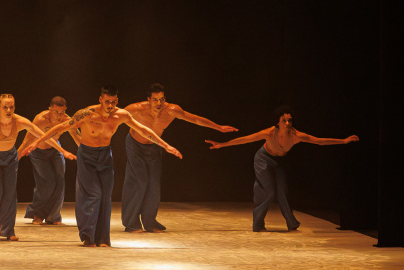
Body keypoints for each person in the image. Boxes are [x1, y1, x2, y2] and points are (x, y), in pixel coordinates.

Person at [20, 86, 182, 247]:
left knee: (105, 197)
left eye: (113, 102)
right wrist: (36, 142)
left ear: (117, 101)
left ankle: (103, 238)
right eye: (107, 102)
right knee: (92, 195)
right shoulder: (87, 114)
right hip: (87, 156)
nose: (110, 106)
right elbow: (62, 127)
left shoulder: (121, 115)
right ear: (100, 100)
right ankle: (88, 235)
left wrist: (165, 145)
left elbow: (143, 130)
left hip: (105, 156)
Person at [206, 106, 358, 232]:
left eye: (289, 120)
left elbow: (319, 141)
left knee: (282, 192)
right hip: (263, 158)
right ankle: (258, 224)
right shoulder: (270, 132)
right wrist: (222, 144)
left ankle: (291, 223)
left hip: (278, 161)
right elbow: (246, 139)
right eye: (284, 120)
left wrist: (343, 141)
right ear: (278, 123)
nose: (287, 123)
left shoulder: (296, 135)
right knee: (268, 191)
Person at [0, 94, 76, 241]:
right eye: (5, 107)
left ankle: (7, 230)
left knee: (10, 194)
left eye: (11, 107)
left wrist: (63, 151)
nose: (9, 110)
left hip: (10, 158)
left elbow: (44, 135)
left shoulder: (20, 121)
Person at [120, 83, 237, 233]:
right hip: (135, 145)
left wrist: (219, 127)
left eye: (162, 99)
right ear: (148, 99)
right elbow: (113, 117)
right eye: (155, 100)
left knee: (154, 184)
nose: (159, 103)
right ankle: (131, 222)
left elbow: (194, 119)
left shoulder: (171, 110)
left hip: (156, 146)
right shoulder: (136, 109)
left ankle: (150, 221)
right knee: (139, 180)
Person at [19, 96, 81, 225]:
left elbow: (77, 137)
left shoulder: (67, 120)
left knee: (59, 181)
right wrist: (15, 159)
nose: (59, 116)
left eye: (62, 112)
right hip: (38, 152)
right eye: (56, 112)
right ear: (50, 109)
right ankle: (37, 214)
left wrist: (88, 153)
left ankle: (54, 216)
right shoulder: (41, 119)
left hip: (55, 151)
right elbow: (27, 140)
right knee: (46, 182)